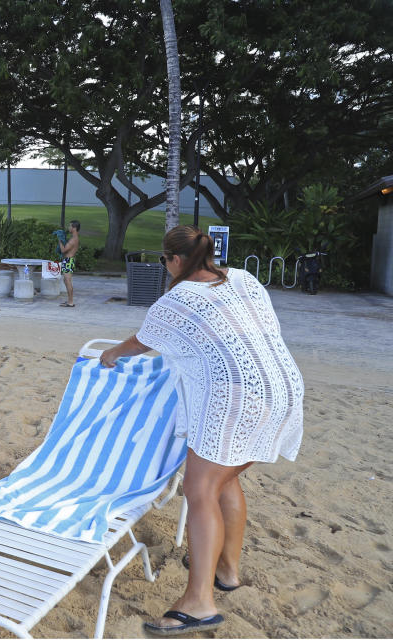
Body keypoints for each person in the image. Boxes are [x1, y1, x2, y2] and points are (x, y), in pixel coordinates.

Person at [98, 225, 304, 636]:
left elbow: (142, 342)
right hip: (284, 388)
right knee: (224, 480)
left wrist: (111, 354)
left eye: (164, 260)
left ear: (174, 260)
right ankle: (226, 571)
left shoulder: (178, 299)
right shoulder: (243, 278)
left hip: (238, 397)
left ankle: (198, 603)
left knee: (199, 489)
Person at [59, 220, 80, 307]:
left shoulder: (73, 240)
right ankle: (69, 300)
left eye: (70, 226)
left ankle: (70, 302)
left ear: (74, 228)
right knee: (66, 280)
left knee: (67, 281)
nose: (69, 228)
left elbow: (63, 250)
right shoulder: (74, 238)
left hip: (68, 261)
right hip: (68, 260)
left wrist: (60, 241)